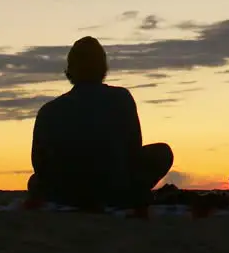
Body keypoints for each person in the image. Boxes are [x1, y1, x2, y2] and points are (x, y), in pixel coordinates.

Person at [27, 36, 173, 208]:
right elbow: (133, 149)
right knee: (162, 152)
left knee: (34, 181)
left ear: (70, 69)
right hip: (113, 189)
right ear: (103, 66)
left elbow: (39, 164)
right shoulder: (121, 98)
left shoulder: (48, 110)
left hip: (65, 193)